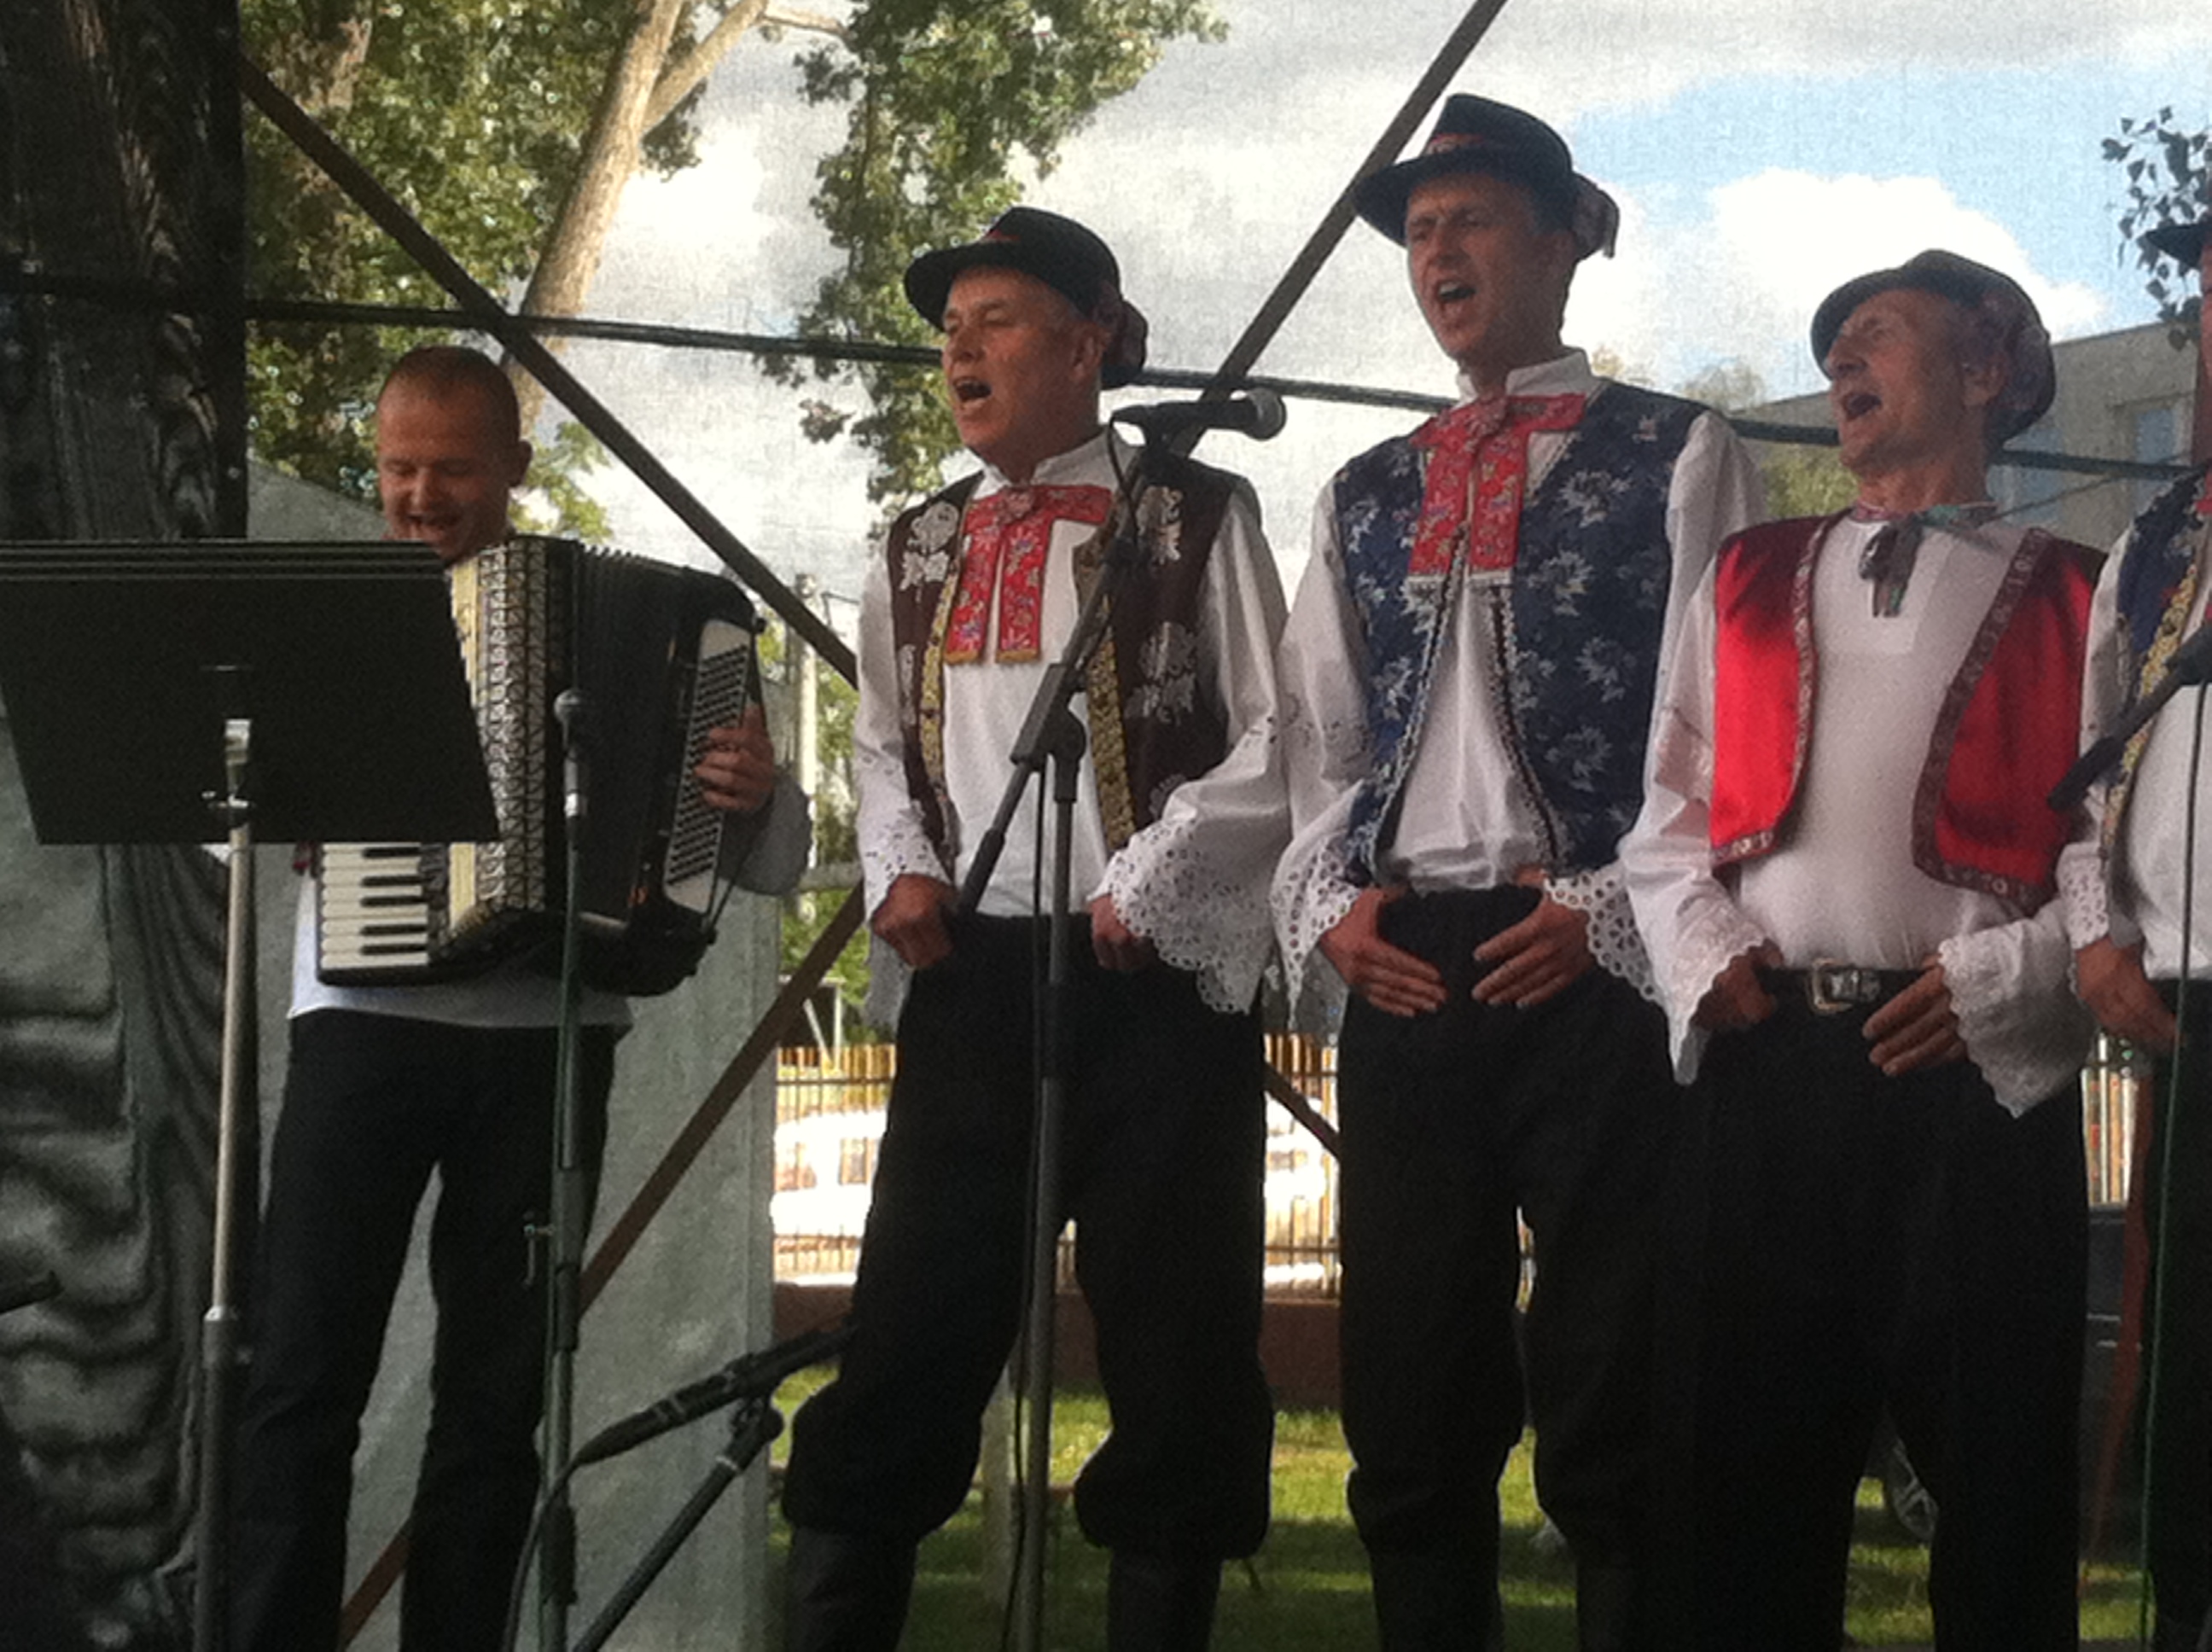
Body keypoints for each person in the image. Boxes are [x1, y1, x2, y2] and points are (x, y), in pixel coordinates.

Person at [1271, 94, 1761, 1650]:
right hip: (1411, 953)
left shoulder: (1676, 450)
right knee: (1410, 1367)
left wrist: (1610, 909)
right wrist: (1329, 907)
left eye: (1471, 220)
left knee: (1620, 1363)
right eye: (1421, 232)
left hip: (1591, 948)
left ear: (1562, 243)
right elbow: (1317, 735)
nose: (1439, 252)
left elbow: (1718, 713)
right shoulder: (1367, 486)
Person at [229, 344, 806, 1651]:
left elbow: (772, 863)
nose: (419, 496)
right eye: (398, 468)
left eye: (451, 469)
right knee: (300, 1382)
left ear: (515, 469)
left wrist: (758, 794)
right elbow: (228, 820)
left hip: (545, 1039)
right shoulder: (331, 620)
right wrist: (283, 800)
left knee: (494, 1406)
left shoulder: (664, 627)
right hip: (360, 1030)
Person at [778, 206, 1284, 1651]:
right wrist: (899, 866)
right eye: (953, 329)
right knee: (911, 1327)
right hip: (977, 976)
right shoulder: (918, 542)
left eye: (995, 321)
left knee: (1178, 1345)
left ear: (1090, 342)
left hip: (1153, 976)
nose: (962, 349)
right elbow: (881, 742)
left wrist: (1159, 876)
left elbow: (1279, 734)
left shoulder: (1194, 514)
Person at [1622, 250, 2096, 1649]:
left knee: (2000, 1474)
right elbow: (1667, 817)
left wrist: (2009, 982)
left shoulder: (2084, 595)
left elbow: (2112, 853)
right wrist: (1705, 949)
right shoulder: (1746, 576)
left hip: (1976, 1081)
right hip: (1771, 1067)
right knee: (1739, 1476)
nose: (1842, 362)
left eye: (1878, 334)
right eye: (1833, 346)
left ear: (1985, 367)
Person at [2060, 195, 2212, 1652]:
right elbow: (2090, 760)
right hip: (2184, 998)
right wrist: (2097, 934)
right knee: (2192, 1371)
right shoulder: (2162, 534)